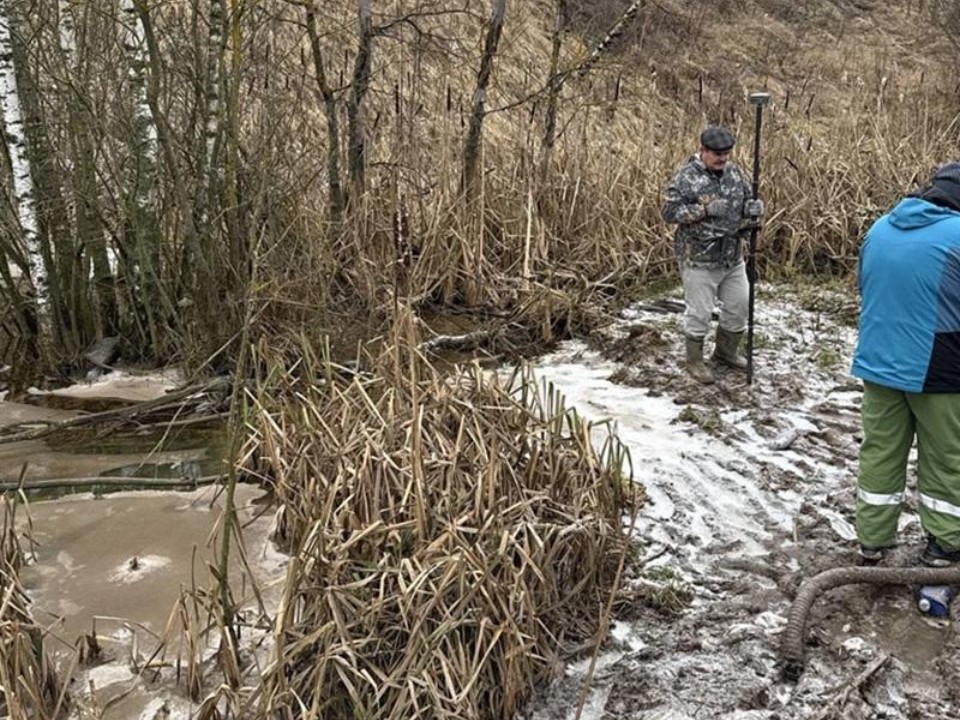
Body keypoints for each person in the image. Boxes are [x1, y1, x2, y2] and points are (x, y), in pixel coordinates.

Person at [851, 162, 960, 566]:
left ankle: (872, 540)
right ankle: (945, 544)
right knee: (947, 457)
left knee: (880, 451)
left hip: (878, 362)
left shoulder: (880, 228)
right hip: (939, 368)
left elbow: (864, 287)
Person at [661, 125, 764, 384]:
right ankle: (694, 360)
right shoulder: (686, 177)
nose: (723, 159)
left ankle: (725, 353)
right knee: (700, 313)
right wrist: (704, 211)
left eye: (726, 154)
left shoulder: (734, 172)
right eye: (717, 154)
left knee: (739, 306)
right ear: (703, 150)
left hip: (732, 256)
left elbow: (745, 200)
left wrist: (752, 208)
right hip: (699, 259)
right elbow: (669, 213)